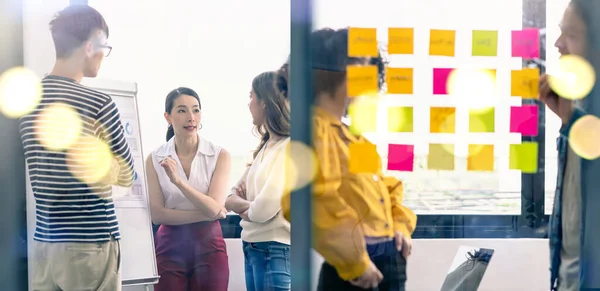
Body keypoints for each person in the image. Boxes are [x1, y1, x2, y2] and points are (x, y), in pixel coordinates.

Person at [278, 28, 417, 291]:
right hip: (357, 269)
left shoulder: (357, 140)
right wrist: (354, 261)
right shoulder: (312, 132)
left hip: (386, 259)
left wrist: (400, 225)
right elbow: (309, 201)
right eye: (364, 66)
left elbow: (387, 190)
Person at [19, 5, 134, 291]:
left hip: (45, 244)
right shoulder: (98, 104)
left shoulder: (28, 103)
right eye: (104, 47)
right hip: (90, 244)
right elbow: (127, 175)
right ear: (88, 46)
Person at [147, 87, 231, 291]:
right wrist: (208, 213)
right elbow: (158, 215)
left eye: (196, 110)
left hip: (209, 245)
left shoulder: (219, 155)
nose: (191, 117)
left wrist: (178, 182)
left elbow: (214, 208)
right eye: (182, 111)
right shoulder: (154, 158)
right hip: (169, 246)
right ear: (168, 117)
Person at [541, 0, 600, 290]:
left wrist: (572, 121)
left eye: (572, 34)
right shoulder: (578, 109)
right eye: (560, 32)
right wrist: (568, 121)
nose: (558, 43)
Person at [225, 71, 291, 291]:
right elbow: (230, 197)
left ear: (265, 103)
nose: (249, 104)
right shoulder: (265, 147)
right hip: (253, 248)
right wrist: (249, 206)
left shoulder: (289, 147)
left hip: (275, 251)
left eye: (252, 96)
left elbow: (263, 210)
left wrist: (243, 206)